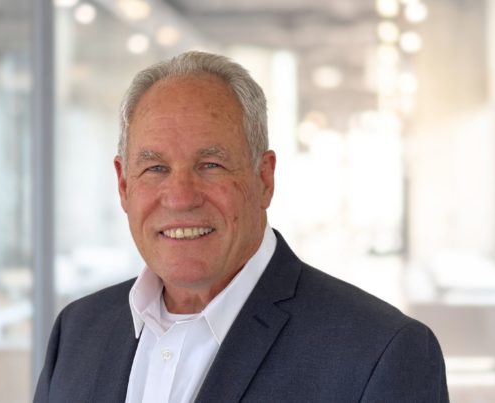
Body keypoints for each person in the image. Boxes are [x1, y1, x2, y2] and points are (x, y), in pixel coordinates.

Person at [34, 51, 449, 403]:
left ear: (264, 178)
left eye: (210, 165)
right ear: (124, 185)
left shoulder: (380, 353)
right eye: (155, 167)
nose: (180, 196)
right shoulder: (77, 332)